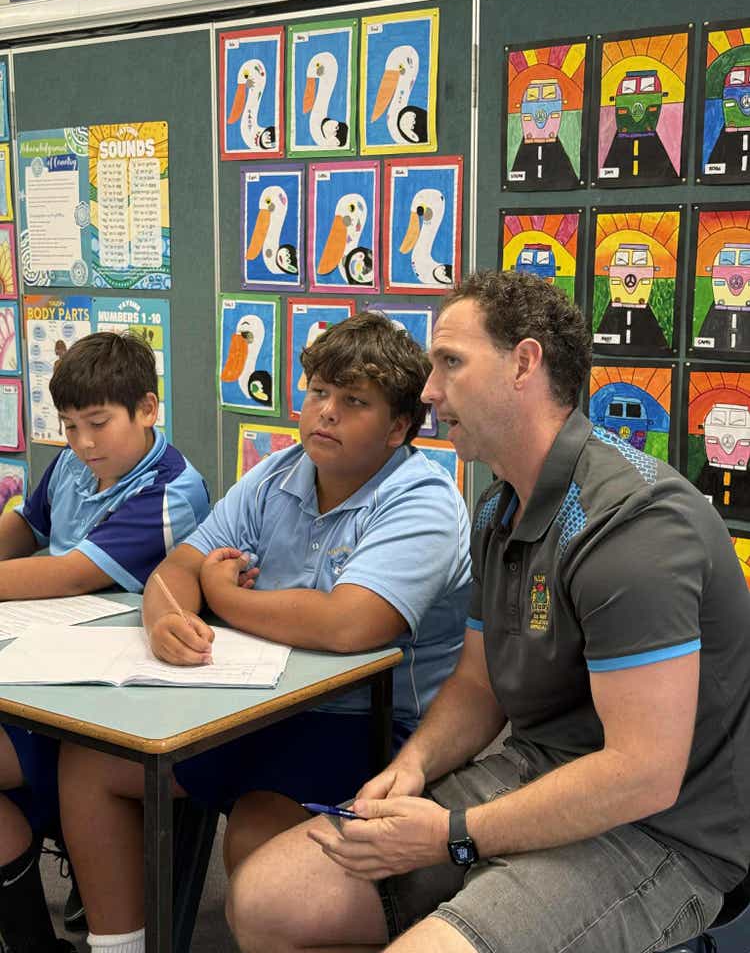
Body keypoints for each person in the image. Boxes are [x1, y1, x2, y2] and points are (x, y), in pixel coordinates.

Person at [225, 269, 750, 953]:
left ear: (524, 364)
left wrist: (453, 834)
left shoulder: (635, 528)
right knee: (268, 899)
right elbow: (477, 684)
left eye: (450, 363)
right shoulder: (501, 505)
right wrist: (413, 767)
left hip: (660, 830)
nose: (429, 391)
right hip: (538, 768)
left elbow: (642, 774)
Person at [58, 311, 471, 953]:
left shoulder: (424, 499)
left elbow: (352, 623)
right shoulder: (279, 473)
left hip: (369, 727)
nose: (325, 413)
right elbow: (179, 567)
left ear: (397, 428)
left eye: (353, 401)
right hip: (256, 706)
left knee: (262, 851)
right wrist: (166, 614)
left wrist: (222, 596)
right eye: (318, 393)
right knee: (92, 764)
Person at [0, 332, 210, 953]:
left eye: (97, 423)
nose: (82, 443)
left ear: (147, 409)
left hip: (107, 694)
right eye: (68, 427)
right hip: (45, 659)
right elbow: (23, 525)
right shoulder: (72, 463)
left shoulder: (172, 490)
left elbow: (68, 574)